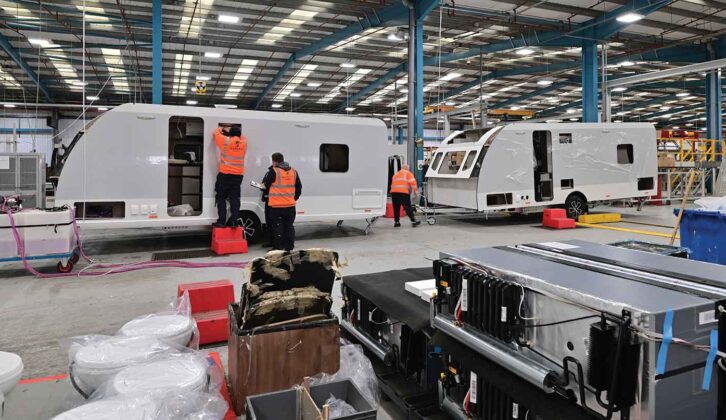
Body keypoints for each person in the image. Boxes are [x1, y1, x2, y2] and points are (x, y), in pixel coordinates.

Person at [263, 153, 302, 251]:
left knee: (277, 227)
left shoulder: (274, 171)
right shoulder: (294, 171)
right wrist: (294, 198)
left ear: (274, 161)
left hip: (276, 206)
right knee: (289, 226)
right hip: (290, 206)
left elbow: (265, 186)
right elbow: (299, 187)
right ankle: (289, 247)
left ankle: (278, 247)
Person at [213, 125, 247, 228]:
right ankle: (234, 222)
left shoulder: (225, 141)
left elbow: (215, 133)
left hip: (225, 175)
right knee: (235, 199)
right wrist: (232, 132)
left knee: (221, 198)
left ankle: (222, 222)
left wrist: (223, 128)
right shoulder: (244, 142)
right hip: (238, 176)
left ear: (230, 134)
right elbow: (242, 136)